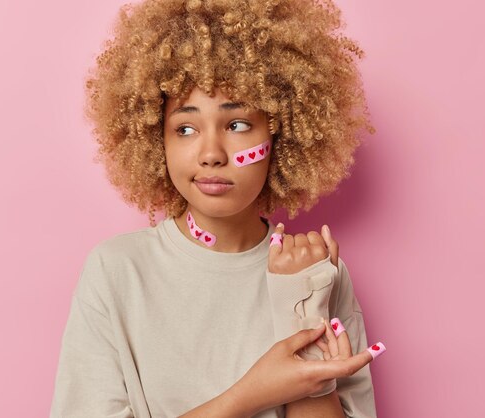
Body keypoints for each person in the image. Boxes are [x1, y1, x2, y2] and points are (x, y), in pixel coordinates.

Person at [49, 0, 385, 416]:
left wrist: (300, 304)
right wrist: (252, 394)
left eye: (238, 125)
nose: (210, 153)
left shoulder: (314, 270)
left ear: (282, 136)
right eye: (185, 128)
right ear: (157, 140)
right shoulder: (117, 271)